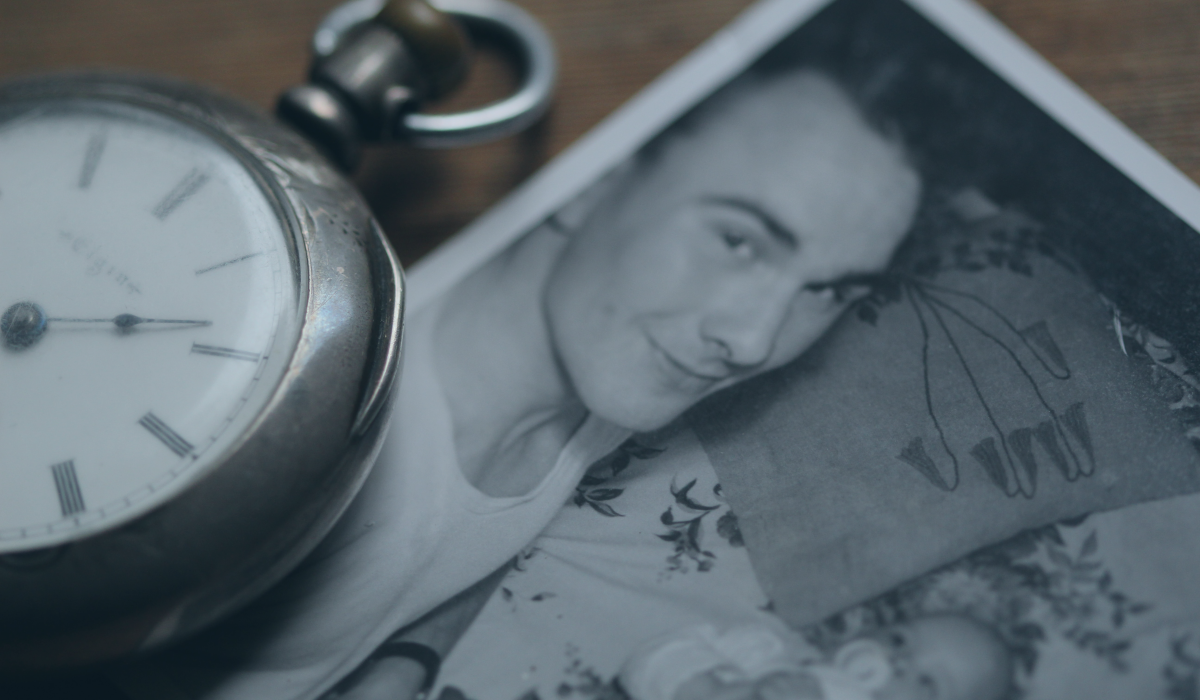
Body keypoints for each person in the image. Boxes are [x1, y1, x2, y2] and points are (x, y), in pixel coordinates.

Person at [120, 68, 921, 700]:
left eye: (831, 291)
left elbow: (478, 530)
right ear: (596, 181)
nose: (752, 340)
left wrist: (408, 656)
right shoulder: (326, 424)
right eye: (740, 241)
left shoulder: (611, 380)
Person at [619, 614, 1014, 700]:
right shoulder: (767, 645)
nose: (898, 662)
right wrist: (716, 688)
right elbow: (645, 664)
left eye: (927, 683)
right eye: (899, 641)